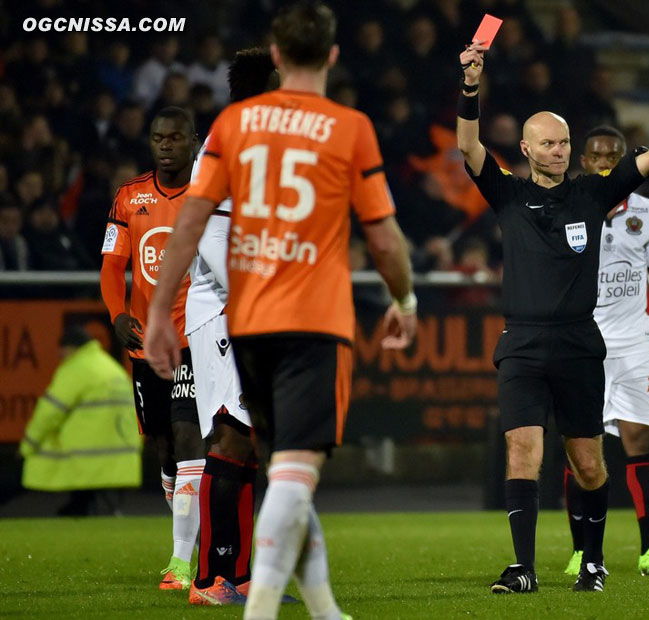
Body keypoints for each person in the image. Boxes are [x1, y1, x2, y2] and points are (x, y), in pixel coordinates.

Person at [144, 3, 417, 619]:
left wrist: (161, 309)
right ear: (333, 56)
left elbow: (192, 219)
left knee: (276, 457)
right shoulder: (345, 126)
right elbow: (381, 233)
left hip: (252, 314)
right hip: (289, 314)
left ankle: (297, 599)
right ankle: (237, 589)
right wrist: (405, 298)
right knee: (271, 454)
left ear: (277, 55)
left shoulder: (236, 127)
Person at [456, 41, 649, 594]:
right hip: (521, 343)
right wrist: (470, 84)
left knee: (589, 462)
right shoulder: (506, 194)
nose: (560, 150)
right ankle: (522, 569)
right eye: (549, 143)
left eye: (565, 142)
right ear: (525, 147)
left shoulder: (592, 195)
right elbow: (466, 143)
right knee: (523, 448)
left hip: (578, 345)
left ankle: (591, 561)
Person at [562, 125, 649, 579]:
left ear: (623, 161)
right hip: (583, 346)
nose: (603, 162)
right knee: (583, 449)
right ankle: (582, 551)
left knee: (642, 439)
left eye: (612, 156)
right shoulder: (568, 206)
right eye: (596, 155)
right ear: (583, 161)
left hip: (637, 346)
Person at [185, 47, 277, 606]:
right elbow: (210, 234)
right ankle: (210, 579)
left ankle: (240, 578)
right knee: (232, 435)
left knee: (251, 444)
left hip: (263, 308)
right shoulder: (223, 144)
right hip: (223, 307)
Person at [99, 106, 203, 590]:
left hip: (195, 339)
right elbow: (111, 266)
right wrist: (117, 314)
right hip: (145, 345)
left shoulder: (209, 195)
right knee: (164, 452)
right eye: (159, 137)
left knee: (188, 440)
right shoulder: (129, 197)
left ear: (193, 141)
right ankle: (188, 529)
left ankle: (181, 562)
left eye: (175, 138)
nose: (165, 145)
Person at [19, 325, 142, 516]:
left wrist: (27, 447)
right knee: (86, 506)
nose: (60, 357)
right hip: (121, 456)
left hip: (88, 457)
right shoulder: (110, 367)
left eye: (61, 352)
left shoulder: (77, 369)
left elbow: (49, 413)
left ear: (69, 348)